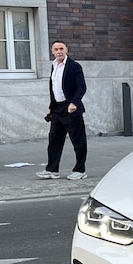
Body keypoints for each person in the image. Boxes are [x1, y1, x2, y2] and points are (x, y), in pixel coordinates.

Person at [36, 40, 88, 180]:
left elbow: (82, 87)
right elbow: (54, 88)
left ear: (66, 50)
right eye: (56, 49)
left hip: (71, 109)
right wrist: (51, 106)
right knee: (54, 140)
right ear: (52, 51)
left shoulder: (74, 66)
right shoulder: (54, 66)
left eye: (61, 49)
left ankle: (80, 170)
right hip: (57, 109)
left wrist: (73, 103)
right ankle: (52, 170)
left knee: (78, 141)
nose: (59, 51)